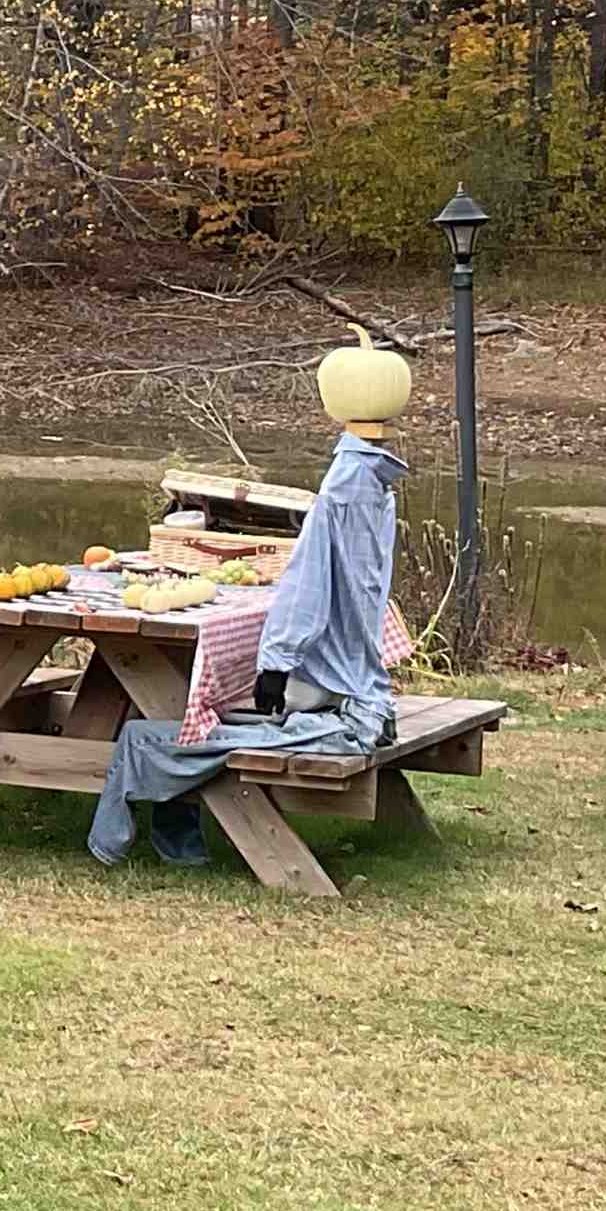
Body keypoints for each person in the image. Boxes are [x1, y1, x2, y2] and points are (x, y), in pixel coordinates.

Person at [90, 331, 410, 867]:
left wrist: (275, 664)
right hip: (362, 698)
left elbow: (308, 591)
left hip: (342, 716)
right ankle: (177, 831)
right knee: (200, 714)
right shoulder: (375, 478)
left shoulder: (344, 488)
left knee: (156, 732)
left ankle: (132, 834)